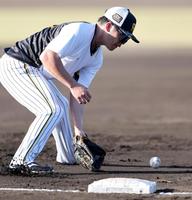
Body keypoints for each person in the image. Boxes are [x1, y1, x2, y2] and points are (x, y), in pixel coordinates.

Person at [0, 6, 139, 174]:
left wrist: (79, 132)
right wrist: (73, 85)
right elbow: (47, 57)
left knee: (62, 105)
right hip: (17, 65)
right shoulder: (79, 31)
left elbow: (78, 96)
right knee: (52, 109)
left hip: (34, 71)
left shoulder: (96, 59)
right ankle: (21, 161)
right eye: (123, 37)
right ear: (109, 26)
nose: (122, 43)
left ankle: (67, 156)